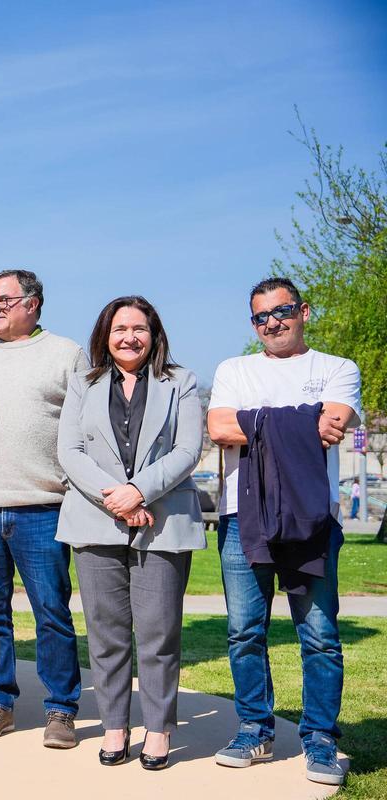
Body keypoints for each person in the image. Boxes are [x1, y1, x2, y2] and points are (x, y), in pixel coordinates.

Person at [208, 277, 361, 787]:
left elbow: (334, 422)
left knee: (318, 635)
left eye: (282, 311)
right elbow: (218, 429)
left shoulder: (337, 368)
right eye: (261, 317)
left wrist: (255, 424)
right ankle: (254, 727)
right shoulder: (234, 369)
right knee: (244, 631)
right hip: (240, 517)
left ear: (303, 311)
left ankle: (319, 736)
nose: (272, 322)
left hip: (313, 518)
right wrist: (299, 423)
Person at [56, 295, 204, 770]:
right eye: (120, 328)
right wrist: (113, 496)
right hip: (95, 521)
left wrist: (139, 491)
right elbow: (70, 449)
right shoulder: (84, 383)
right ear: (105, 335)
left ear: (154, 334)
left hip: (162, 524)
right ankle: (115, 727)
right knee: (106, 634)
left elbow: (187, 450)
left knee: (159, 634)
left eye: (139, 328)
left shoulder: (180, 382)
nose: (129, 337)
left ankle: (159, 730)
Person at [0, 269, 86, 748]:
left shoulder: (67, 354)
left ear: (32, 304)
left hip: (44, 507)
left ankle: (61, 710)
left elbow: (85, 430)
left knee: (51, 612)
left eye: (4, 300)